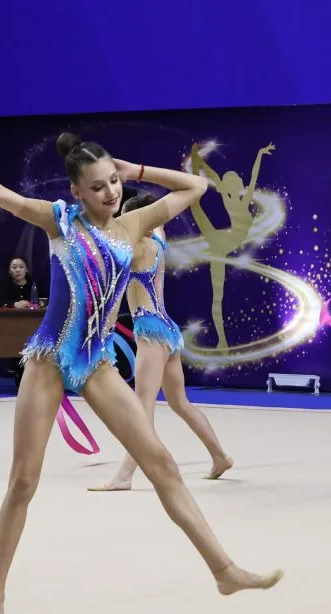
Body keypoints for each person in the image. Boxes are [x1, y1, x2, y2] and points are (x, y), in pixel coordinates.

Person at [0, 133, 283, 614]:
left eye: (113, 183)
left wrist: (136, 169)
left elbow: (194, 187)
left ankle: (224, 571)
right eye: (97, 187)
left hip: (97, 363)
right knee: (23, 481)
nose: (110, 193)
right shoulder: (60, 221)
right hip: (51, 359)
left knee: (162, 463)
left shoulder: (134, 224)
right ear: (76, 192)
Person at [88, 192, 233, 491]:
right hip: (168, 329)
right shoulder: (158, 239)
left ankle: (124, 476)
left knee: (142, 407)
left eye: (130, 219)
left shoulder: (138, 247)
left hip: (151, 331)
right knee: (179, 402)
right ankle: (220, 456)